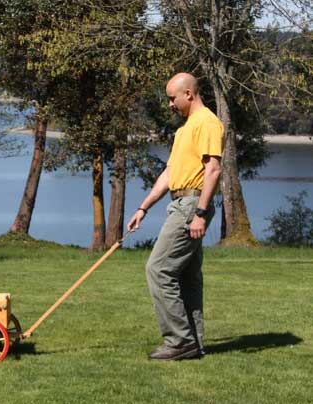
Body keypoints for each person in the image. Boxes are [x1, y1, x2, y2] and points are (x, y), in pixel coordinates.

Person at [127, 72, 223, 361]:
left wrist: (200, 214)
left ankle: (179, 341)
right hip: (180, 203)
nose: (170, 104)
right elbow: (170, 174)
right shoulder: (185, 130)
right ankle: (193, 343)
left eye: (172, 98)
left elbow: (213, 170)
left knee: (158, 269)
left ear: (189, 94)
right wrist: (143, 208)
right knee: (187, 277)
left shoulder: (206, 122)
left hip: (191, 206)